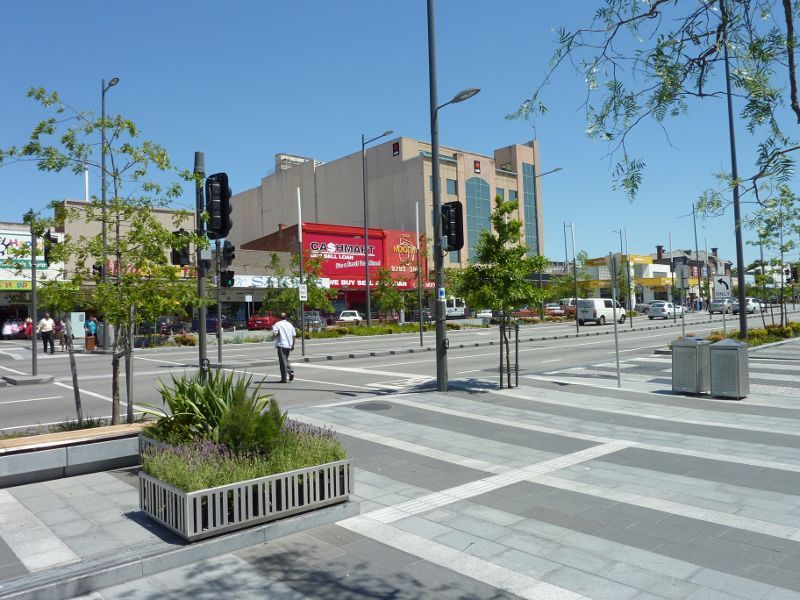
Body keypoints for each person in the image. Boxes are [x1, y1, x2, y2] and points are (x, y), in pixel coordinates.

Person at [272, 312, 296, 383]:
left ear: (279, 317)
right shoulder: (290, 324)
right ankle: (290, 372)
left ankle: (284, 379)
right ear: (286, 317)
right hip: (288, 345)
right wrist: (293, 345)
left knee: (282, 362)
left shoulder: (277, 324)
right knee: (285, 360)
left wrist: (274, 336)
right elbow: (294, 335)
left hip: (281, 345)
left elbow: (275, 335)